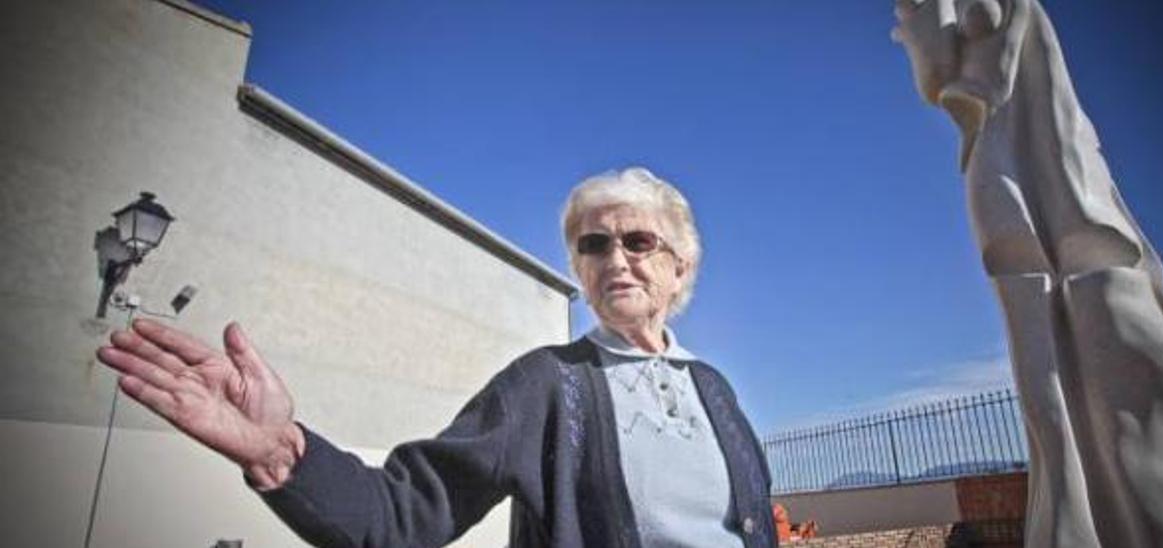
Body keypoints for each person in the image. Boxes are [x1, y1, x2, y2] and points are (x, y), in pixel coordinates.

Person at [96, 167, 777, 548]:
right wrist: (280, 453)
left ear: (680, 269)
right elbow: (403, 516)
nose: (615, 258)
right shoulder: (545, 386)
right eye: (593, 246)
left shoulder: (714, 390)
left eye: (637, 241)